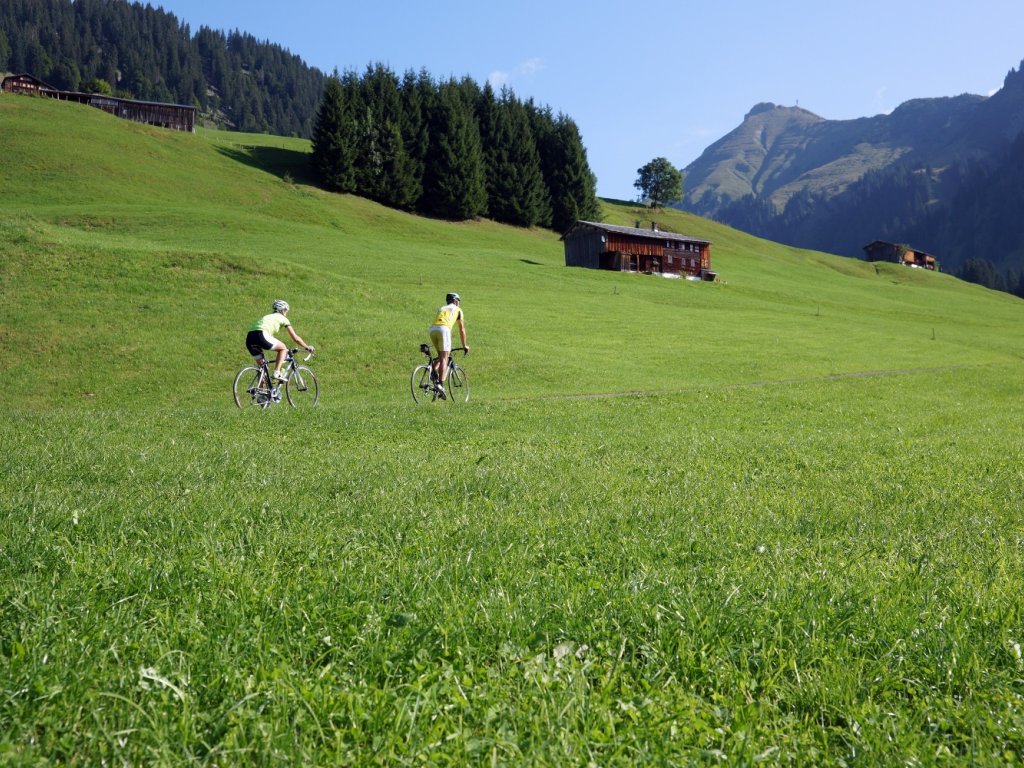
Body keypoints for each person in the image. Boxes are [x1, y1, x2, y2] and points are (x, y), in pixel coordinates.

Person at [245, 300, 314, 384]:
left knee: (262, 369)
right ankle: (276, 373)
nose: (286, 313)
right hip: (261, 334)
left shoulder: (268, 316)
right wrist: (307, 347)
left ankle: (261, 395)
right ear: (282, 310)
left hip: (250, 338)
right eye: (286, 311)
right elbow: (295, 338)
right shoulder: (283, 318)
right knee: (283, 348)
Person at [427, 292, 469, 399]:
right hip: (444, 330)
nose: (459, 304)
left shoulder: (442, 308)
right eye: (459, 301)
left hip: (433, 330)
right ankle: (440, 384)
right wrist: (465, 345)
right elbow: (462, 329)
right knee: (445, 358)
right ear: (455, 301)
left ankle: (432, 372)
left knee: (441, 357)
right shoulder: (458, 310)